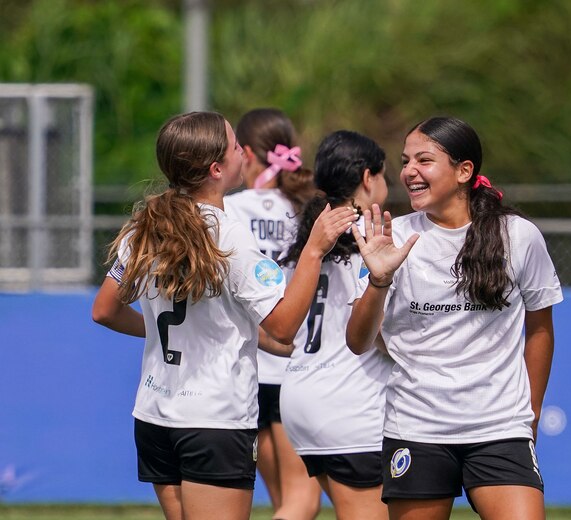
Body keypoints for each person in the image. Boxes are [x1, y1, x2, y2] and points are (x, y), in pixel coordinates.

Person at [91, 111, 357, 520]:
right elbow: (283, 326)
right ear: (217, 168)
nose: (242, 153)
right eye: (235, 146)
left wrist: (165, 338)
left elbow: (104, 309)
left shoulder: (144, 225)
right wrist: (314, 250)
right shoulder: (229, 234)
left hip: (153, 414)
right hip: (214, 419)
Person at [346, 116, 563, 520]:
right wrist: (378, 280)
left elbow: (540, 327)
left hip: (500, 428)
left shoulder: (518, 235)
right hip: (416, 427)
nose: (409, 171)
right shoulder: (391, 238)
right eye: (406, 160)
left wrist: (529, 415)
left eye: (424, 160)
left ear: (464, 171)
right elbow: (357, 342)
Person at [278, 130, 392, 520]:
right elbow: (381, 334)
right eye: (383, 174)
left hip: (300, 397)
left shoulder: (313, 237)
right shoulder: (369, 239)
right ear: (366, 177)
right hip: (350, 403)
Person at [223, 108, 322, 519]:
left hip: (248, 364)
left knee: (284, 500)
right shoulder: (307, 206)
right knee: (303, 500)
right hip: (293, 361)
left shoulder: (230, 207)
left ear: (246, 153)